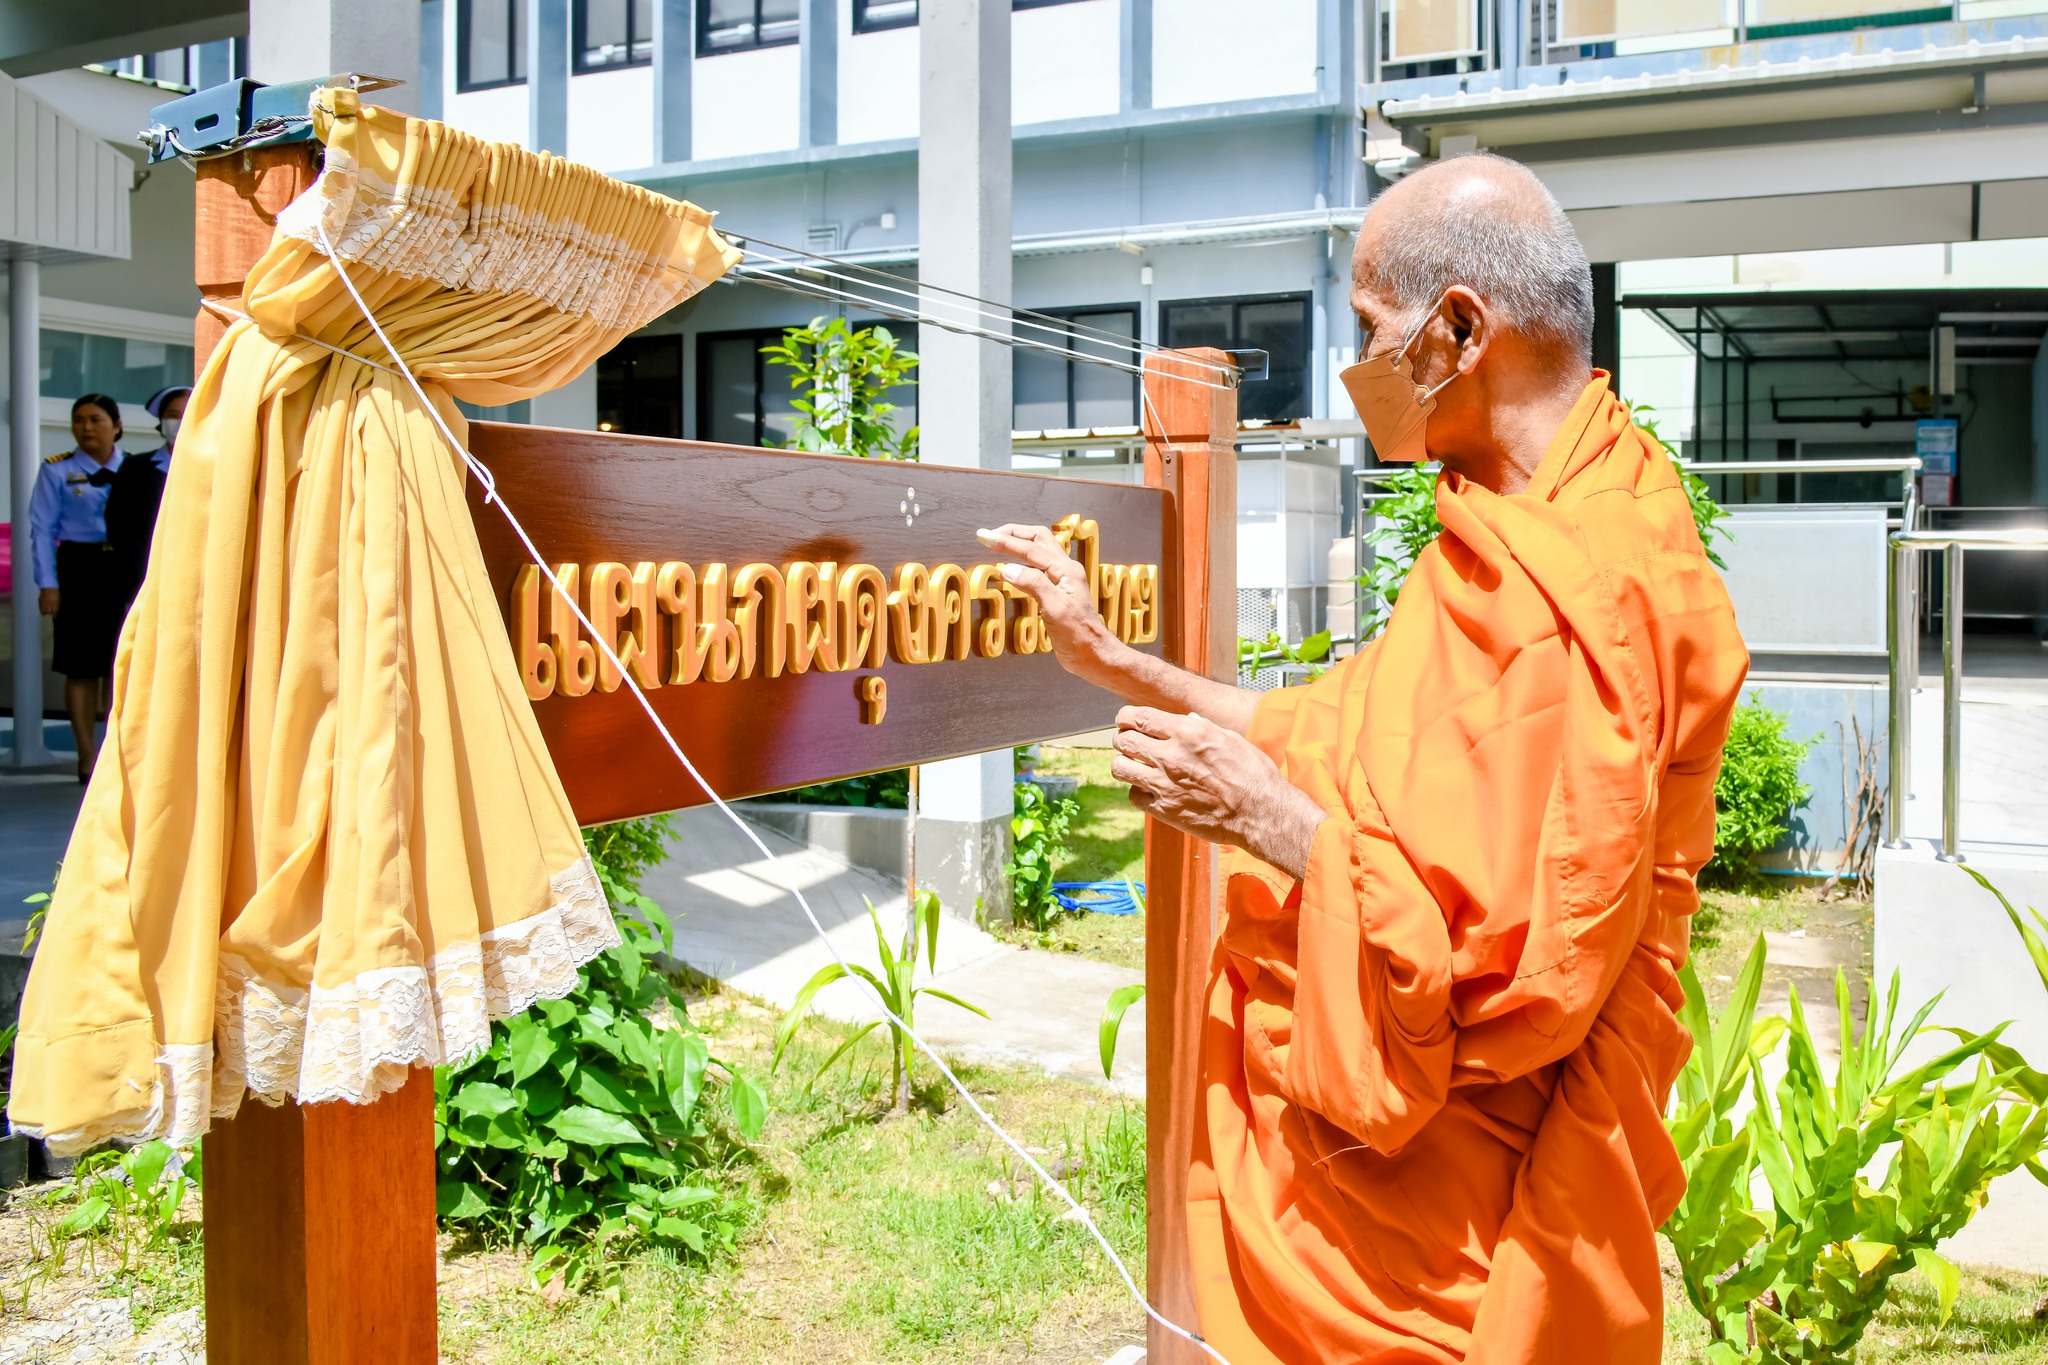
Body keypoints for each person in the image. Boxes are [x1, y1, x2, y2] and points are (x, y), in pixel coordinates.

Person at [980, 152, 1747, 1363]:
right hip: (1420, 1176)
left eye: (1366, 327)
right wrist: (1112, 662)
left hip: (1449, 1217)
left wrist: (1266, 825)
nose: (1353, 371)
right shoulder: (1541, 508)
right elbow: (1336, 730)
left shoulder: (1580, 589)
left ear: (1455, 330)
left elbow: (1500, 984)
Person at [30, 394, 130, 781]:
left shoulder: (135, 469)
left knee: (118, 664)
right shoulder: (57, 470)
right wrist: (48, 584)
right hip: (79, 568)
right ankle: (86, 754)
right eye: (79, 420)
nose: (86, 427)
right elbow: (41, 530)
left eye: (96, 419)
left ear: (117, 426)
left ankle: (113, 752)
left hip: (121, 568)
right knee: (81, 666)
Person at [105, 385, 189, 605]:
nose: (180, 421)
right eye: (173, 415)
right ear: (161, 421)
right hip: (143, 579)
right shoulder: (135, 467)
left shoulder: (217, 465)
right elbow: (119, 525)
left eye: (187, 413)